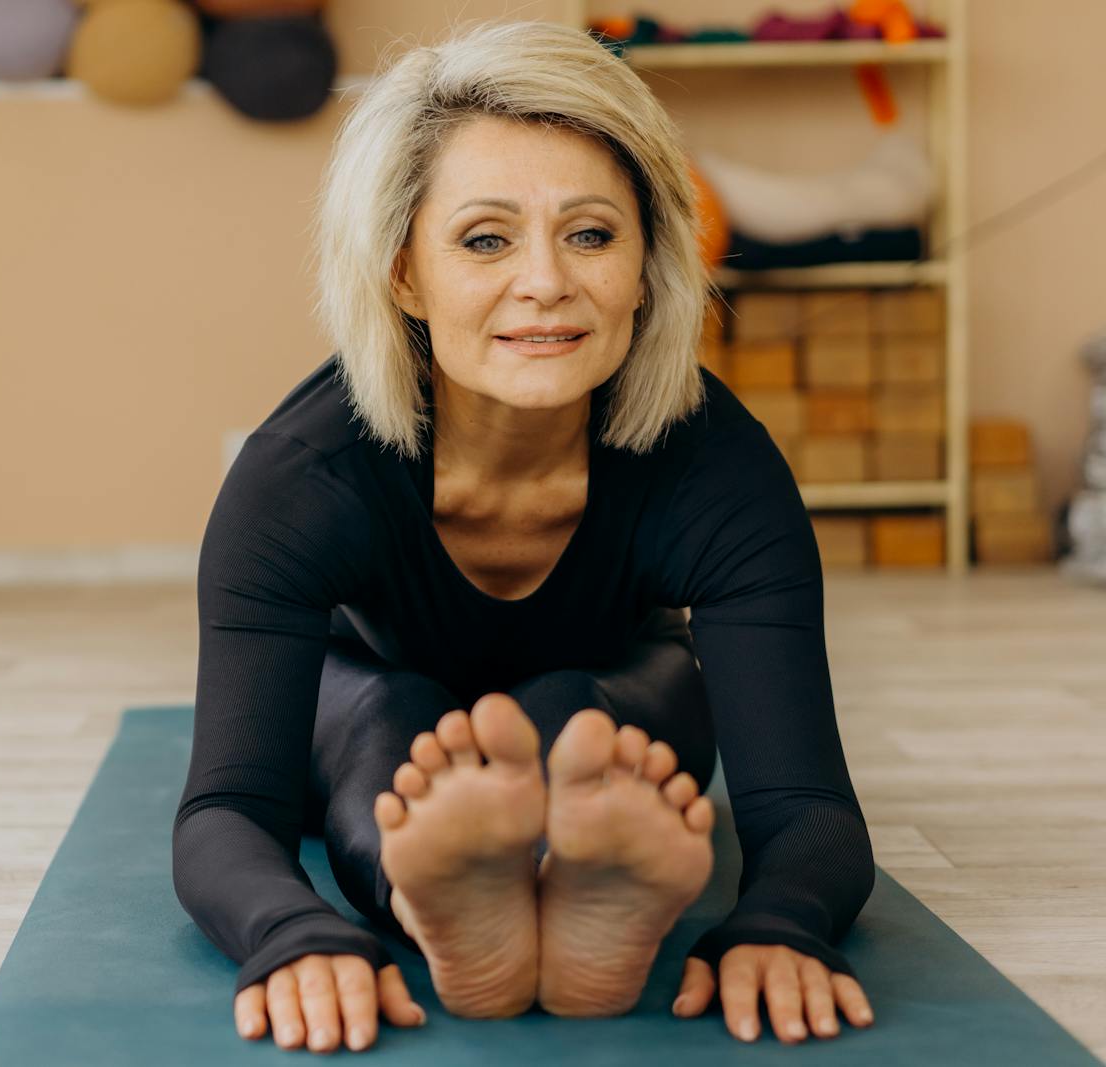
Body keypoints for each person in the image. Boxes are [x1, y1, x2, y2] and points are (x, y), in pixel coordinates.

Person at [172, 18, 877, 1055]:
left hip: (614, 692)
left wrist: (778, 923)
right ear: (403, 271)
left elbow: (806, 802)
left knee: (577, 710)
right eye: (485, 238)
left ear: (647, 263)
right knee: (387, 709)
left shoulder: (717, 467)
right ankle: (439, 902)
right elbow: (228, 806)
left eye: (590, 234)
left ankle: (575, 882)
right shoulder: (302, 478)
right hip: (368, 684)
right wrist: (296, 931)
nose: (545, 282)